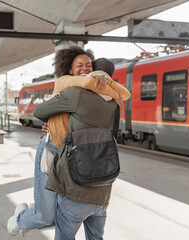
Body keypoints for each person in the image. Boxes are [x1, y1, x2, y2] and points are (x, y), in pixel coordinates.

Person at [7, 46, 128, 237]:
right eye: (79, 65)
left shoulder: (102, 97)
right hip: (54, 147)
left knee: (54, 216)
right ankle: (22, 219)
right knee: (47, 215)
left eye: (89, 65)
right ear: (69, 69)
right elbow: (41, 112)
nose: (85, 69)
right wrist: (51, 125)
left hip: (74, 152)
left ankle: (27, 217)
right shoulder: (78, 90)